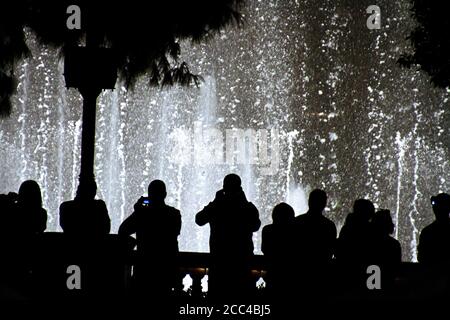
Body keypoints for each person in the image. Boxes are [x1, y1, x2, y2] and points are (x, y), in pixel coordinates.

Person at [196, 174, 260, 300]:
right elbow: (256, 225)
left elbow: (199, 219)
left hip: (219, 264)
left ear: (224, 188)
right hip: (242, 265)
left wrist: (215, 202)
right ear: (240, 189)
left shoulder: (217, 208)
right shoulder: (248, 208)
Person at [119, 180, 181, 296]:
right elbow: (173, 235)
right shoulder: (174, 214)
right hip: (165, 269)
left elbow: (123, 230)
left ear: (149, 195)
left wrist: (137, 212)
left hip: (144, 269)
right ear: (165, 194)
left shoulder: (142, 214)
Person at [293, 189, 336, 296]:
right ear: (324, 204)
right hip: (321, 274)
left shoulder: (297, 222)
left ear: (309, 202)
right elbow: (331, 249)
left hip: (299, 273)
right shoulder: (329, 225)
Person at [261, 202, 295, 296]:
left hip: (272, 273)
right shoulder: (294, 233)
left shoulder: (267, 230)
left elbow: (264, 249)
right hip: (290, 275)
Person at [368, 209, 401, 290]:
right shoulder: (394, 244)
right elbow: (396, 268)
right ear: (389, 225)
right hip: (387, 285)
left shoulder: (366, 243)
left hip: (366, 286)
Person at [418, 193, 450, 265]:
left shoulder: (427, 232)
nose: (434, 207)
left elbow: (421, 257)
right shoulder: (427, 232)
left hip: (432, 274)